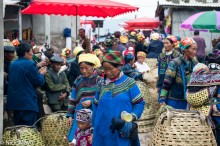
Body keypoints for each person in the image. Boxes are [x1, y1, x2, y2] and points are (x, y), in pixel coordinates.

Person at [92, 51, 145, 146]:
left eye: (111, 69)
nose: (108, 72)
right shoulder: (101, 84)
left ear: (119, 66)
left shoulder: (129, 83)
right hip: (102, 129)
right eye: (105, 69)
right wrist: (93, 127)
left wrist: (131, 117)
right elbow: (95, 106)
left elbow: (139, 104)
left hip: (121, 130)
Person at [7, 41, 46, 126]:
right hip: (27, 103)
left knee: (18, 130)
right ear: (26, 53)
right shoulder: (30, 64)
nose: (32, 53)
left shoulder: (13, 64)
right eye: (31, 51)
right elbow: (38, 82)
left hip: (15, 103)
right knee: (28, 131)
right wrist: (41, 74)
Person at [66, 53, 102, 142]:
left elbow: (103, 98)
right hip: (79, 115)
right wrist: (70, 115)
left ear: (93, 66)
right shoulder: (78, 80)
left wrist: (92, 101)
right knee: (76, 138)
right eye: (81, 68)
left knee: (92, 139)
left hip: (94, 115)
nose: (84, 71)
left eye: (87, 68)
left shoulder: (99, 80)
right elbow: (73, 98)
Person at [159, 37, 198, 110]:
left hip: (191, 102)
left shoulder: (195, 64)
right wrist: (162, 99)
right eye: (193, 49)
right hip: (175, 101)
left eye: (196, 49)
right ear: (185, 49)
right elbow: (167, 83)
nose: (195, 52)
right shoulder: (174, 63)